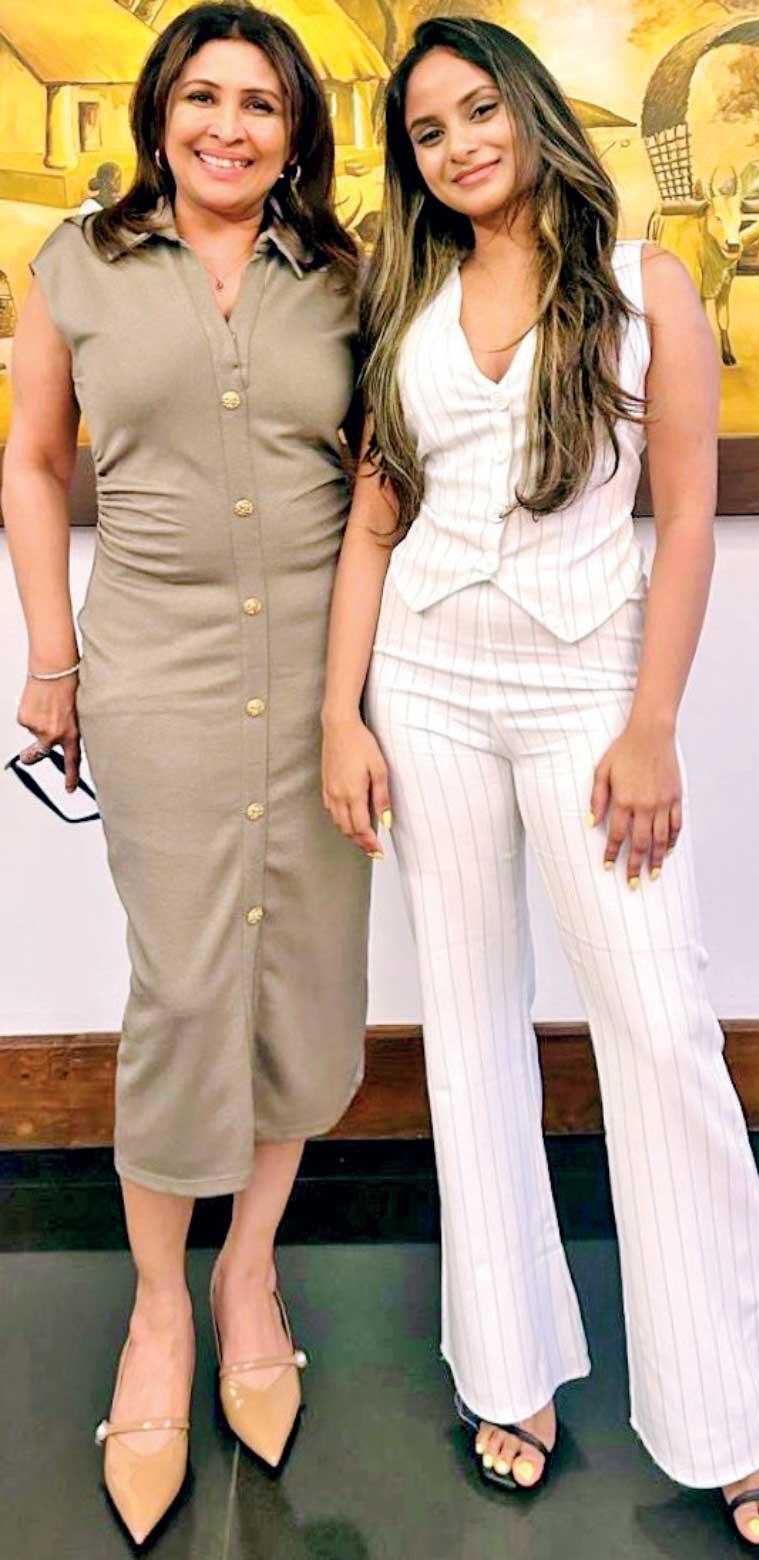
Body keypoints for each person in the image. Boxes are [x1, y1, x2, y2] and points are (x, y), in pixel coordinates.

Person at [321, 16, 759, 1552]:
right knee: (467, 1026)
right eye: (427, 131)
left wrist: (651, 724)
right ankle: (509, 1369)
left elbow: (686, 516)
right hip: (426, 695)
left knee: (657, 1030)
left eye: (479, 111)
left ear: (528, 112)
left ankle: (738, 1415)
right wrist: (340, 714)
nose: (459, 145)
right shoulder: (403, 292)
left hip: (587, 694)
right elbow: (373, 520)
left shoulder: (644, 285)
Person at [3, 1, 370, 1544]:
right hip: (154, 676)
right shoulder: (76, 265)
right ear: (161, 114)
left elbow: (379, 486)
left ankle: (248, 1272)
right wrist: (53, 659)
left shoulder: (348, 276)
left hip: (324, 691)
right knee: (183, 986)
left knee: (302, 973)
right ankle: (160, 1306)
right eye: (204, 96)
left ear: (296, 133)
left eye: (262, 104)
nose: (230, 125)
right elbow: (35, 460)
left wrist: (361, 700)